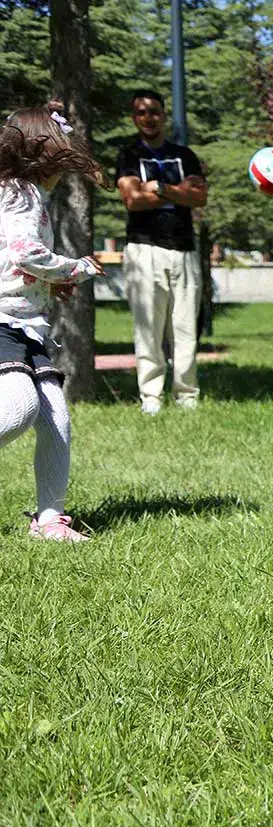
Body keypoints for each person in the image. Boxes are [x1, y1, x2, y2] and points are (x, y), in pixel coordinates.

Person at [0, 104, 106, 541]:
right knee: (21, 407)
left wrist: (47, 286)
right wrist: (74, 269)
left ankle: (48, 521)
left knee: (55, 416)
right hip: (4, 320)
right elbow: (24, 252)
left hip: (26, 321)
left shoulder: (17, 191)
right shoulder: (21, 193)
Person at [115, 88, 208, 415]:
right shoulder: (127, 155)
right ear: (134, 117)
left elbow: (198, 197)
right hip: (143, 251)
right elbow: (132, 200)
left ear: (164, 115)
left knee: (185, 331)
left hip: (183, 250)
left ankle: (187, 398)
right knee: (148, 330)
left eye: (154, 111)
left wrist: (161, 188)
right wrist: (177, 193)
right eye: (141, 112)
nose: (148, 118)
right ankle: (151, 399)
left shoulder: (185, 156)